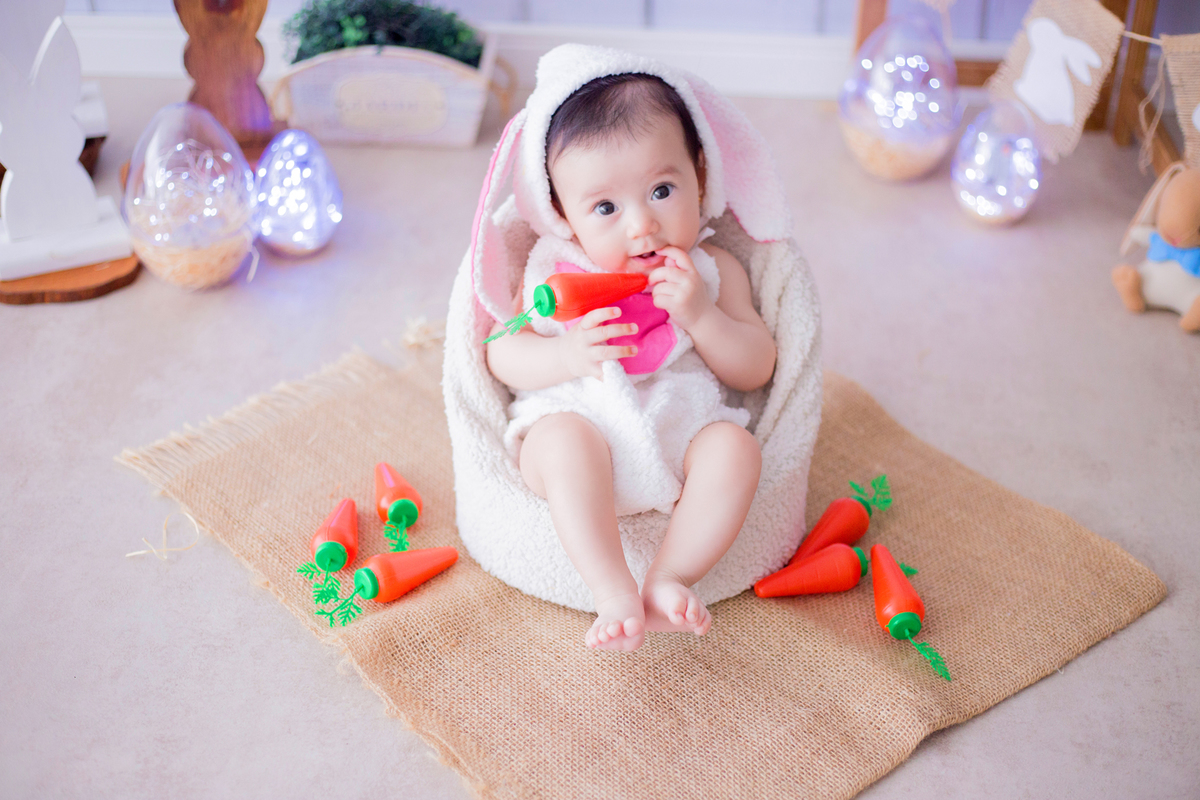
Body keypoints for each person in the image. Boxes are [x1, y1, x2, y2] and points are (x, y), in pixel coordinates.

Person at [484, 73, 777, 651]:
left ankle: (669, 575)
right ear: (563, 216)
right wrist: (565, 353)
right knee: (563, 441)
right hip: (577, 418)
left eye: (662, 191)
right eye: (605, 207)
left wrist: (702, 316)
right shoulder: (553, 272)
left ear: (699, 175)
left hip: (678, 432)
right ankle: (612, 587)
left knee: (735, 449)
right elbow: (501, 353)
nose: (641, 225)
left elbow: (757, 367)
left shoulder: (713, 269)